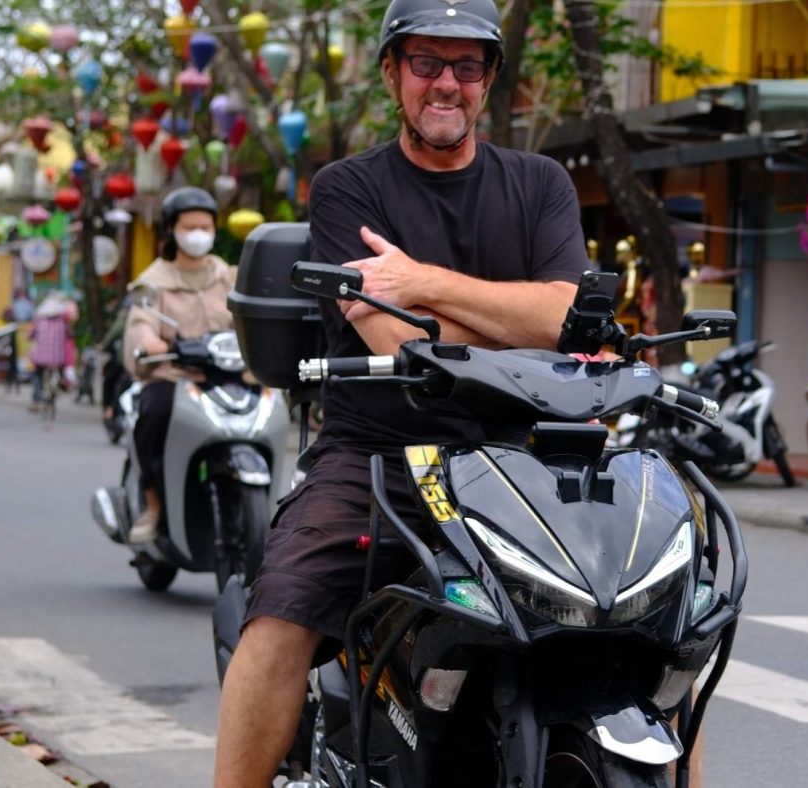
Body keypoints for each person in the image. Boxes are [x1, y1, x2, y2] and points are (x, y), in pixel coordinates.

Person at [213, 1, 589, 784]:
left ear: (488, 79)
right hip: (380, 456)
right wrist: (514, 322)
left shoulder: (541, 183)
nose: (446, 83)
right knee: (279, 618)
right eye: (426, 63)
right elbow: (402, 345)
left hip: (526, 457)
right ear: (391, 73)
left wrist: (421, 281)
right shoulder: (347, 188)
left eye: (467, 65)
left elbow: (566, 318)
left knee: (659, 628)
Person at [122, 186, 235, 544]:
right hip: (173, 376)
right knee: (153, 413)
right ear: (171, 229)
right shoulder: (154, 280)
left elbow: (250, 317)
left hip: (224, 376)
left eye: (205, 226)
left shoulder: (228, 276)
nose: (198, 234)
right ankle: (153, 505)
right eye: (190, 227)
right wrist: (149, 341)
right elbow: (141, 322)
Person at [27, 291, 75, 410]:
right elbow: (70, 335)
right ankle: (62, 382)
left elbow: (31, 334)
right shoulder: (62, 322)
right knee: (61, 367)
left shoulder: (39, 322)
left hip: (42, 358)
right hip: (58, 358)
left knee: (37, 374)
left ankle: (36, 401)